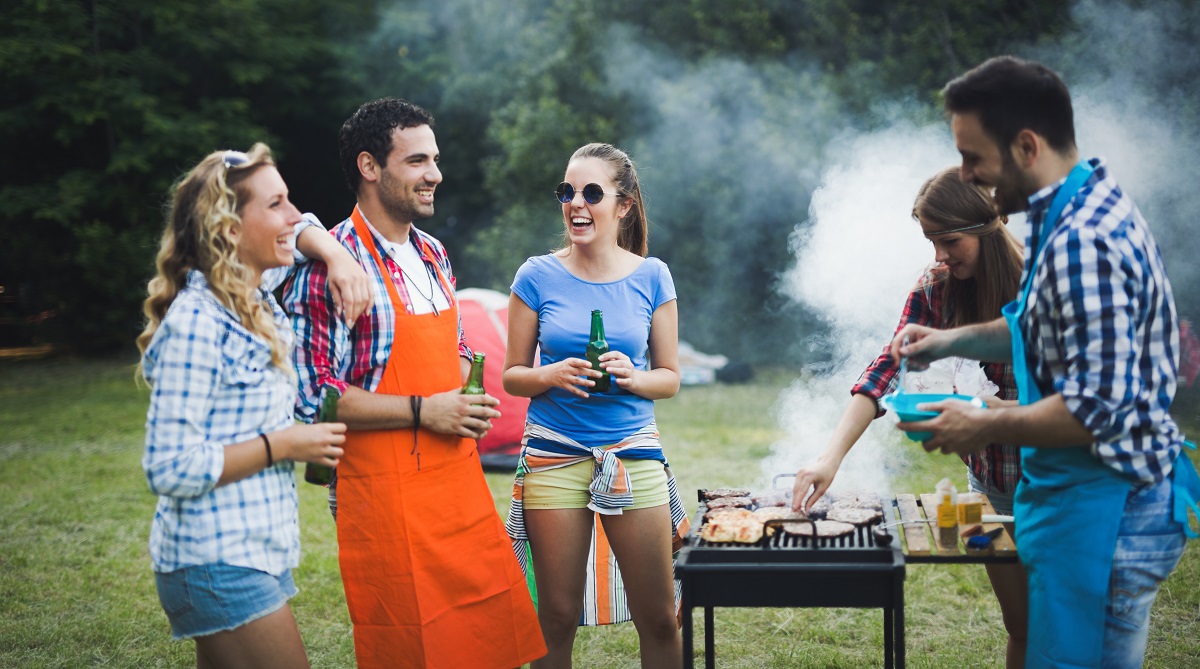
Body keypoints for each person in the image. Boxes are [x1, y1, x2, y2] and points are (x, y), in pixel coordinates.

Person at [891, 56, 1193, 669]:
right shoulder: (1076, 210)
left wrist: (980, 422)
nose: (968, 174)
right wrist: (947, 343)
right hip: (1087, 505)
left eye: (974, 158)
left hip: (1110, 513)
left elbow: (1092, 411)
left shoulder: (1084, 241)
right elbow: (1037, 330)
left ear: (1026, 145)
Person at [283, 98, 545, 669]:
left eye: (436, 159)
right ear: (369, 167)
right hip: (383, 491)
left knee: (486, 640)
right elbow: (314, 398)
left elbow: (450, 350)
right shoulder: (332, 265)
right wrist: (427, 410)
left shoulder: (433, 254)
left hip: (456, 481)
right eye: (418, 161)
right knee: (410, 647)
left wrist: (472, 391)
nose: (436, 175)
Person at [137, 143, 372, 667]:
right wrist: (284, 443)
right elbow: (168, 465)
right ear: (229, 229)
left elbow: (307, 226)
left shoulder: (255, 296)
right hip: (215, 558)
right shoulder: (197, 322)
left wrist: (335, 254)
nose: (294, 216)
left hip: (252, 551)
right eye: (275, 205)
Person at [791, 166, 1029, 667]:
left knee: (1065, 627)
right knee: (1023, 626)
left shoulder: (1037, 287)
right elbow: (888, 368)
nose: (938, 255)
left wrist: (981, 412)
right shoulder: (938, 285)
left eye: (949, 240)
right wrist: (829, 458)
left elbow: (1069, 405)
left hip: (1055, 483)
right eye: (930, 241)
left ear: (987, 227)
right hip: (991, 482)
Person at [502, 143, 687, 669]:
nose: (575, 203)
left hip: (633, 454)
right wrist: (550, 374)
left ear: (623, 205)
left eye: (590, 192)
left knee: (658, 617)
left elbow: (670, 379)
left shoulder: (653, 275)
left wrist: (634, 376)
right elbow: (513, 376)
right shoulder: (535, 275)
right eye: (567, 192)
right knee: (555, 617)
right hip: (554, 453)